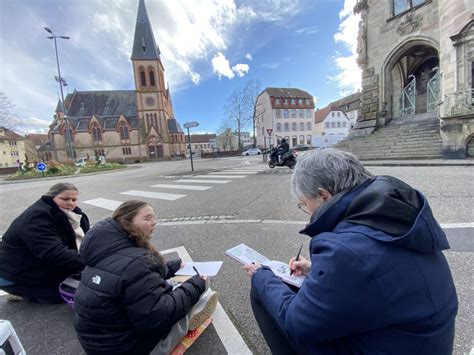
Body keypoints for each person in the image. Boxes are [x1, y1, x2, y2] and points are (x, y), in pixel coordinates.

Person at [243, 148, 458, 354]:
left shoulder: (343, 251)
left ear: (324, 195)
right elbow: (379, 272)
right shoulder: (394, 212)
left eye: (305, 204)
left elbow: (297, 323)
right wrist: (313, 269)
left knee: (263, 289)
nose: (307, 213)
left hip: (386, 345)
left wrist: (263, 275)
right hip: (416, 342)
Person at [73, 200, 218, 355]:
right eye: (147, 218)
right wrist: (196, 284)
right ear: (127, 222)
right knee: (199, 282)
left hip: (97, 344)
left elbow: (133, 277)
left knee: (170, 285)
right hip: (128, 348)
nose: (154, 222)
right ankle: (194, 313)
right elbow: (158, 317)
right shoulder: (137, 262)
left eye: (154, 217)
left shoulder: (103, 249)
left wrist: (172, 266)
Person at [0, 182, 89, 303]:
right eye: (65, 199)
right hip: (15, 273)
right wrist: (90, 262)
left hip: (36, 264)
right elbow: (53, 253)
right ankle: (20, 292)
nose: (71, 203)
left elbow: (87, 239)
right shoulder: (37, 218)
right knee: (64, 294)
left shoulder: (71, 215)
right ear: (51, 197)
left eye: (74, 199)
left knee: (80, 284)